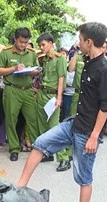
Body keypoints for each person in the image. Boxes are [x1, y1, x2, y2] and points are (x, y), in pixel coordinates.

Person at [16, 22, 107, 202]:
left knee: (84, 177)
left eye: (80, 39)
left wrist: (94, 137)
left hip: (87, 131)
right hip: (74, 122)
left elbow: (105, 107)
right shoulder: (87, 60)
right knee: (40, 143)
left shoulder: (105, 69)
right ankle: (19, 188)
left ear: (89, 42)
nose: (78, 43)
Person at [0, 27, 40, 161]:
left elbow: (37, 70)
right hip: (12, 90)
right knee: (11, 119)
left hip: (28, 90)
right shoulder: (6, 52)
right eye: (21, 42)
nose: (23, 45)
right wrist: (14, 68)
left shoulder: (32, 54)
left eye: (25, 42)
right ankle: (14, 148)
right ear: (15, 39)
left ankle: (38, 147)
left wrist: (32, 71)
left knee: (33, 119)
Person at [35, 33, 70, 172]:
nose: (41, 47)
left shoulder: (59, 58)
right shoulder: (44, 59)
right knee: (42, 125)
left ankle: (64, 158)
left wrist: (59, 97)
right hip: (43, 93)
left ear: (51, 43)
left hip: (53, 95)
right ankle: (47, 153)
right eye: (40, 45)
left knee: (54, 128)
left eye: (43, 44)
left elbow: (61, 78)